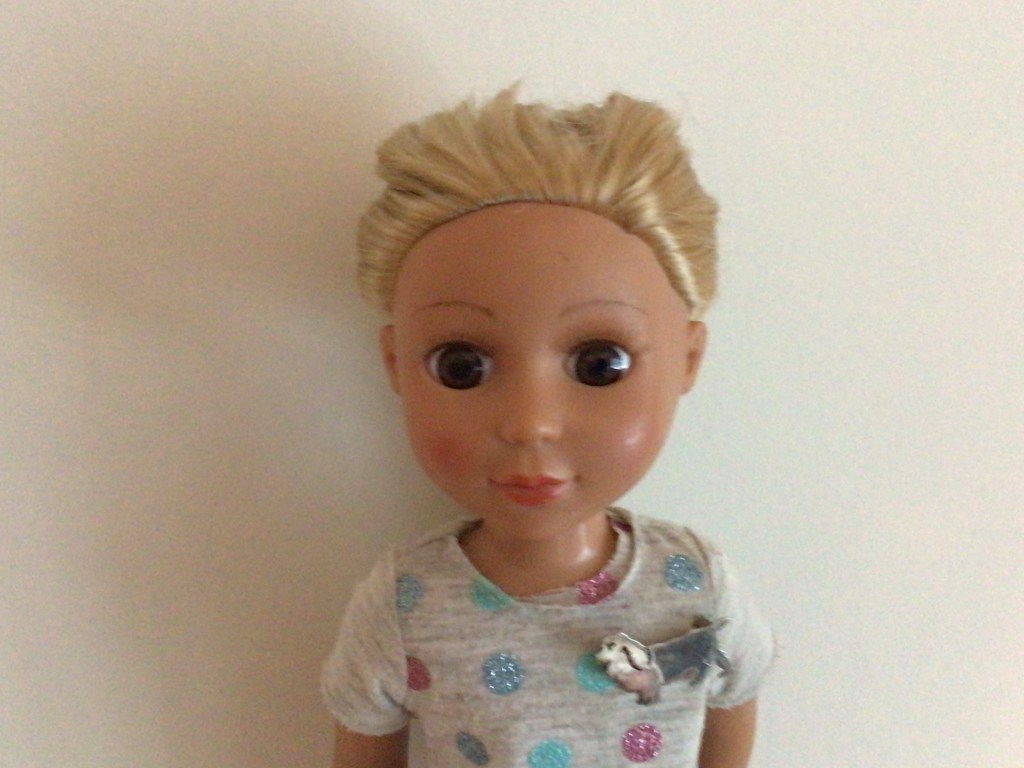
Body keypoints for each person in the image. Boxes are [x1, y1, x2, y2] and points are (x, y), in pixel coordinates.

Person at [323, 87, 774, 768]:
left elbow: (735, 696)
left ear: (687, 358)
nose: (529, 422)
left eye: (600, 364)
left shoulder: (696, 582)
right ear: (395, 364)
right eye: (462, 366)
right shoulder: (405, 603)